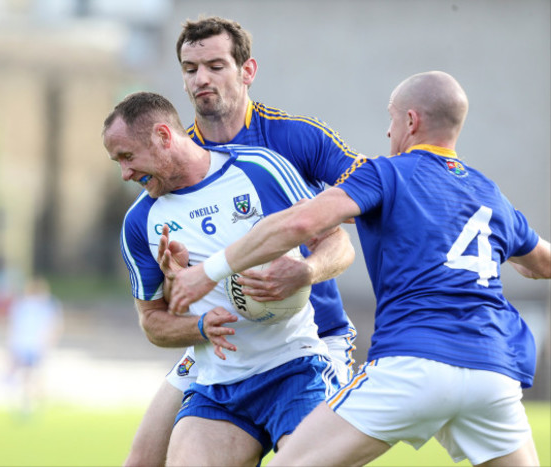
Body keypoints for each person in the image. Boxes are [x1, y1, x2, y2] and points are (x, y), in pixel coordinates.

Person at [168, 70, 551, 466]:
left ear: (411, 122)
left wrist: (207, 272)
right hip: (493, 373)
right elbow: (543, 263)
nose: (388, 132)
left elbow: (299, 223)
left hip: (413, 364)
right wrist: (517, 259)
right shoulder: (490, 194)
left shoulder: (385, 172)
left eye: (391, 117)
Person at [124, 16, 361, 466]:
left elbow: (369, 200)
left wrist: (308, 270)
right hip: (224, 348)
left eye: (215, 65)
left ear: (247, 71)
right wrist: (176, 282)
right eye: (190, 69)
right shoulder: (177, 163)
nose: (201, 79)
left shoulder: (296, 139)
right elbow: (175, 293)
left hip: (311, 338)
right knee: (141, 460)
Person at [6, 275, 63, 416]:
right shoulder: (27, 305)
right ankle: (30, 402)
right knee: (29, 374)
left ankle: (34, 402)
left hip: (33, 344)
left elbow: (53, 325)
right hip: (28, 344)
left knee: (33, 374)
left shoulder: (41, 306)